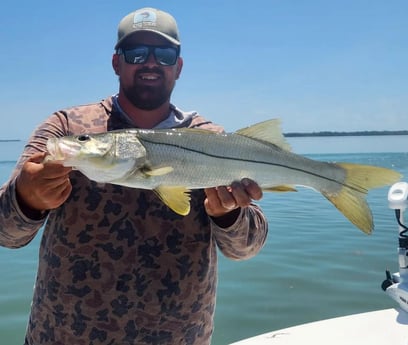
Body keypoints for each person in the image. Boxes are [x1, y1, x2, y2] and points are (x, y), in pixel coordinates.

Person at [0, 7, 268, 345]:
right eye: (136, 53)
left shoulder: (212, 140)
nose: (151, 63)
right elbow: (5, 233)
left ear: (179, 67)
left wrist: (229, 213)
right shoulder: (67, 130)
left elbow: (247, 248)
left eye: (165, 54)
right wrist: (26, 200)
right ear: (117, 62)